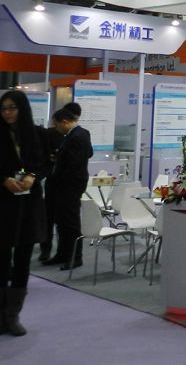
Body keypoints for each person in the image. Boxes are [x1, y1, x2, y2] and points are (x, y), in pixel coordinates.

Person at [0, 91, 50, 336]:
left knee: (23, 260)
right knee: (1, 261)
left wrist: (32, 176)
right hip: (3, 204)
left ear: (22, 108)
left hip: (29, 205)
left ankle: (13, 316)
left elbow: (45, 164)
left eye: (12, 108)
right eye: (3, 109)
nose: (7, 113)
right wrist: (4, 180)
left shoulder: (37, 134)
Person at [42, 108, 93, 270]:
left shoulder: (77, 136)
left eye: (57, 125)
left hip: (70, 185)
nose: (56, 128)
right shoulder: (76, 134)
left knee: (70, 222)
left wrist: (60, 180)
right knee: (62, 221)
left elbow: (74, 166)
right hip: (65, 186)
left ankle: (75, 256)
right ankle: (62, 253)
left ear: (64, 122)